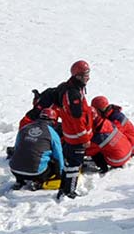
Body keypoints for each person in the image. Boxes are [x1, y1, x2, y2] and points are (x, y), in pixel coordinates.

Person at [38, 60, 94, 200]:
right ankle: (69, 191)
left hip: (70, 133)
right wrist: (84, 138)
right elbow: (77, 119)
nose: (88, 77)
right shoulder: (73, 94)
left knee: (69, 163)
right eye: (86, 74)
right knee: (74, 165)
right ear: (78, 76)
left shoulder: (69, 87)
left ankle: (64, 188)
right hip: (76, 136)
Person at [10, 108, 65, 190]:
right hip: (37, 172)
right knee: (53, 163)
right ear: (54, 121)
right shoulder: (52, 133)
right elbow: (58, 154)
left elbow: (17, 147)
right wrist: (61, 172)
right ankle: (38, 181)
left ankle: (20, 181)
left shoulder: (25, 128)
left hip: (14, 170)